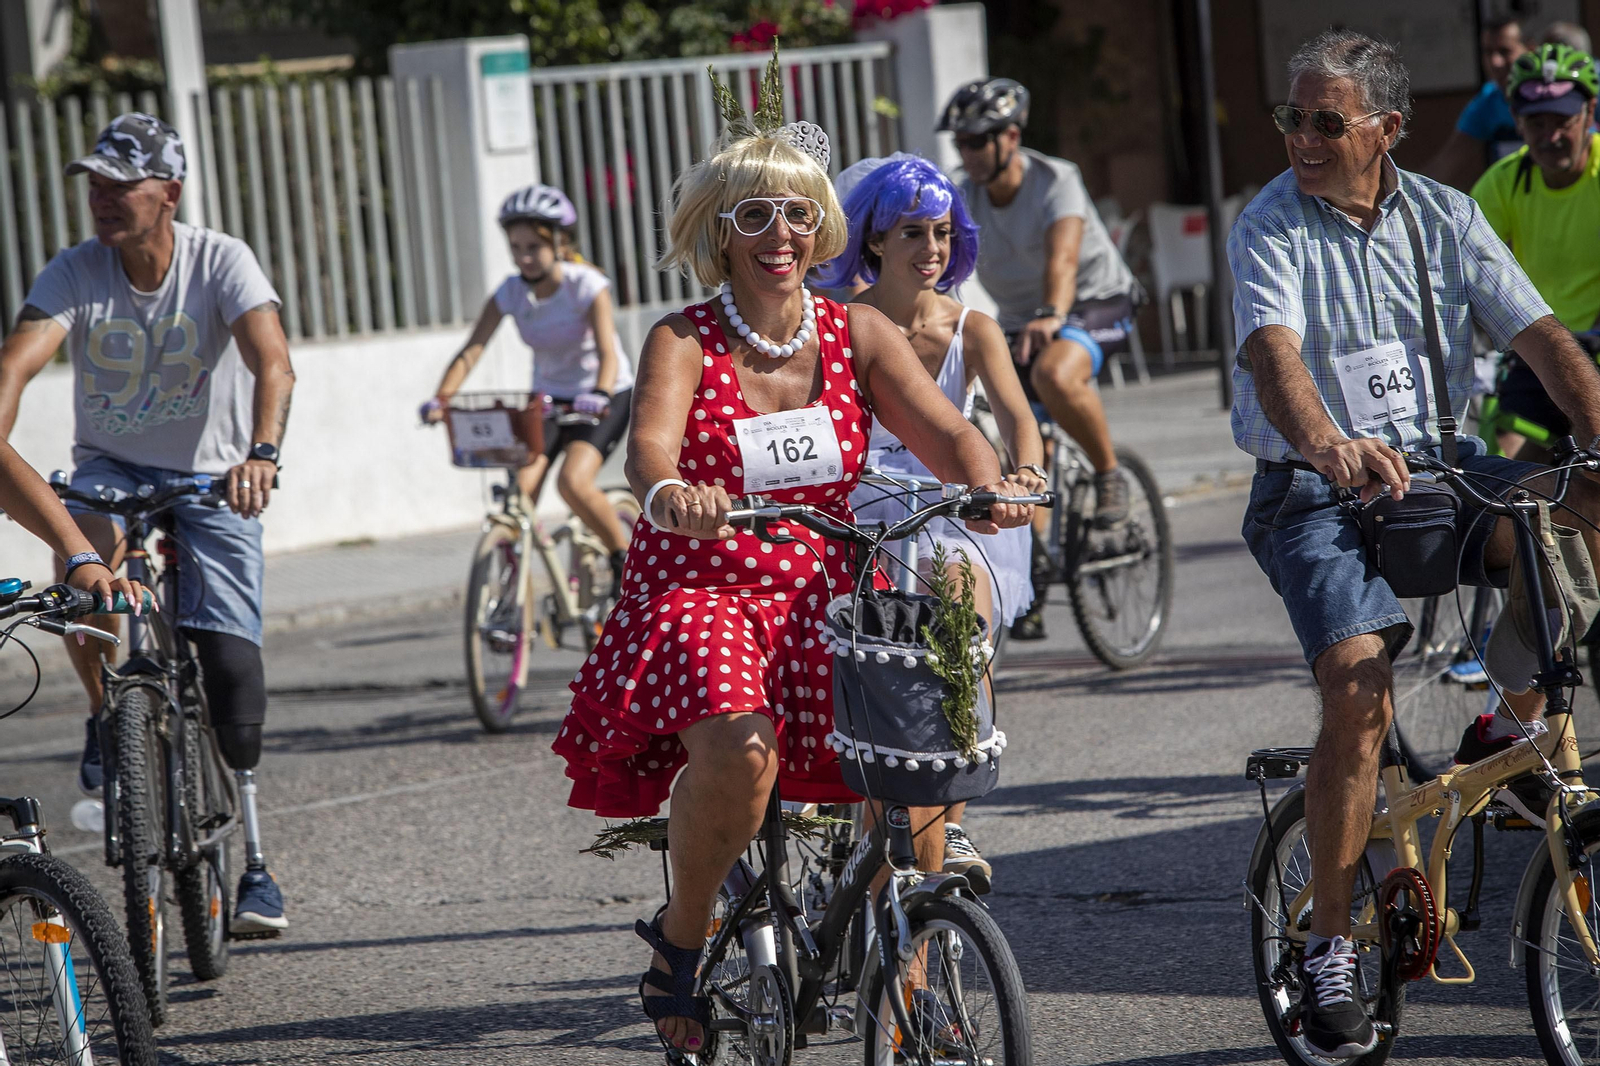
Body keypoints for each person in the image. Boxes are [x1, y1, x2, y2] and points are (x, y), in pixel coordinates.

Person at [550, 68, 1032, 1054]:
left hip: (826, 577)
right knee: (742, 753)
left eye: (798, 213)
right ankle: (680, 941)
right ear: (717, 230)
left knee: (923, 730)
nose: (780, 231)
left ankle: (913, 972)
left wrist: (992, 486)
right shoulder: (681, 339)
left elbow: (947, 433)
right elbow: (647, 446)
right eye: (754, 213)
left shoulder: (855, 331)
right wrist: (670, 492)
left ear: (822, 229)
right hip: (705, 581)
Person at [1231, 30, 1600, 1058]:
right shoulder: (1270, 223)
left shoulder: (1448, 216)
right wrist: (1330, 444)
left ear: (1388, 129)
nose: (1300, 137)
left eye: (1323, 120)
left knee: (1579, 512)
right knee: (1357, 687)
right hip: (1312, 487)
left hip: (1438, 473)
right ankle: (1328, 944)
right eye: (1290, 118)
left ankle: (1505, 725)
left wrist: (1598, 434)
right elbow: (1274, 356)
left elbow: (1540, 339)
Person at [0, 113, 296, 936]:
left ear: (168, 192)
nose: (101, 198)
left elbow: (273, 359)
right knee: (83, 562)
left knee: (232, 668)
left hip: (216, 473)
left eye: (119, 184)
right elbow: (20, 359)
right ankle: (108, 713)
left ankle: (258, 865)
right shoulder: (76, 270)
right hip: (112, 466)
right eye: (92, 183)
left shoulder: (220, 259)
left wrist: (263, 452)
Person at [817, 152, 1046, 890]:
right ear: (874, 241)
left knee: (956, 634)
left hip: (952, 512)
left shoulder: (973, 328)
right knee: (872, 679)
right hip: (858, 516)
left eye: (943, 231)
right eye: (911, 231)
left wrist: (1027, 474)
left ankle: (953, 803)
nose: (932, 249)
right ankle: (864, 845)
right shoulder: (844, 324)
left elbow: (1017, 418)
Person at [940, 76, 1138, 640]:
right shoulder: (963, 194)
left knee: (1054, 373)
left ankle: (1109, 475)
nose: (968, 153)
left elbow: (1064, 259)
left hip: (1095, 301)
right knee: (1021, 446)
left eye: (978, 140)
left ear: (1011, 136)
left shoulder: (1056, 179)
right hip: (1023, 321)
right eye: (961, 142)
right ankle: (1033, 564)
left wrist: (1052, 311)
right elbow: (937, 263)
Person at [423, 185, 633, 587]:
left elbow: (609, 351)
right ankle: (510, 594)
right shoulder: (511, 292)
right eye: (515, 246)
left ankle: (626, 560)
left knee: (572, 482)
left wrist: (601, 394)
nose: (523, 257)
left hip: (602, 396)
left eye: (533, 247)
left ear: (559, 242)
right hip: (549, 400)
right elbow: (472, 350)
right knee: (520, 495)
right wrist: (441, 398)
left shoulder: (586, 285)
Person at [1471, 43, 1600, 460]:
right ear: (1516, 120)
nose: (1551, 136)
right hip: (1539, 346)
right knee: (1504, 468)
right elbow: (1461, 268)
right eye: (1536, 122)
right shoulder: (1503, 183)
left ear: (1590, 112)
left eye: (1563, 120)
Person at [0, 441, 147, 608]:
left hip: (182, 467)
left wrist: (82, 560)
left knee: (93, 587)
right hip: (108, 464)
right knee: (90, 584)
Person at [1425, 15, 1529, 189]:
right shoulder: (1487, 102)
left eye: (1505, 51)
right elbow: (1447, 163)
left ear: (1530, 49)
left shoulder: (1558, 95)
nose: (1495, 62)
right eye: (1488, 52)